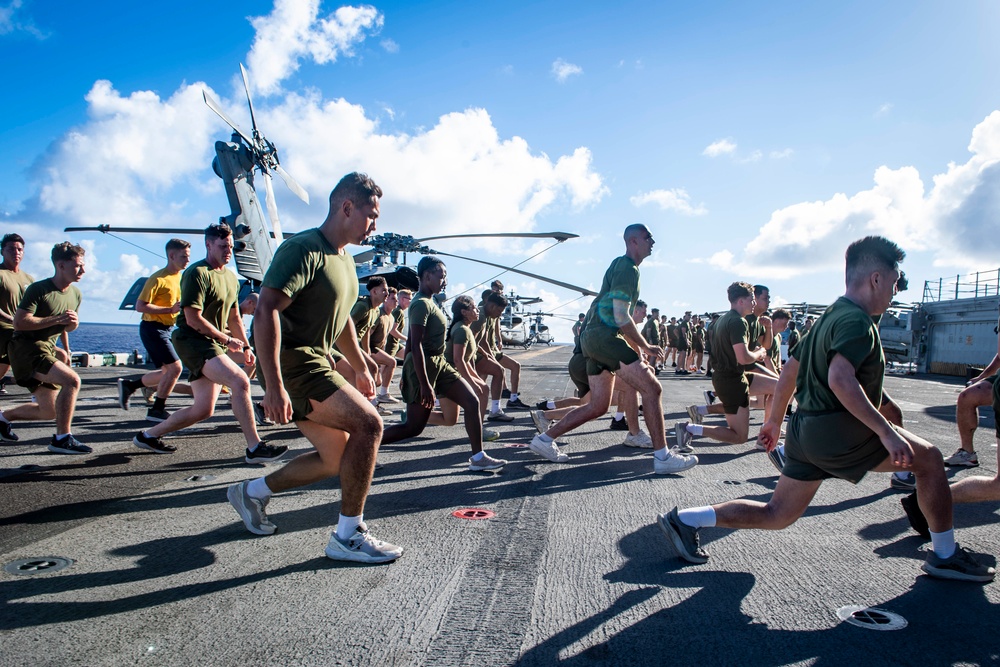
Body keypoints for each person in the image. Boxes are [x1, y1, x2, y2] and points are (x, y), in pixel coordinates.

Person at [660, 235, 994, 582]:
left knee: (778, 513)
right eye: (893, 283)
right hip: (840, 432)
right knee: (931, 459)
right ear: (876, 279)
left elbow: (791, 369)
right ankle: (945, 555)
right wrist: (885, 432)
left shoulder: (829, 316)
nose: (895, 293)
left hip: (807, 431)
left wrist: (775, 421)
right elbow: (840, 378)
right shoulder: (857, 321)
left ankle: (685, 519)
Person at [228, 171, 402, 563]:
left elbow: (341, 324)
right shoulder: (304, 249)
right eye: (371, 215)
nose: (375, 224)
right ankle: (348, 535)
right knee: (369, 425)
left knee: (335, 459)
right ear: (346, 207)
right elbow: (267, 310)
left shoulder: (344, 262)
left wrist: (361, 366)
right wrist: (272, 385)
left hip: (317, 363)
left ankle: (252, 493)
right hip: (296, 364)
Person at [527, 224, 697, 474]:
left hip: (592, 339)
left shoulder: (621, 265)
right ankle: (662, 457)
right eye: (648, 237)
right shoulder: (628, 268)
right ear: (633, 241)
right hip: (605, 337)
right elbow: (621, 315)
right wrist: (646, 345)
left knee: (598, 406)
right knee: (652, 388)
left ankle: (543, 440)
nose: (653, 241)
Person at [131, 223, 285, 462]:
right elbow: (193, 319)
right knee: (240, 381)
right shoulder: (197, 273)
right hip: (193, 340)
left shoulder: (231, 279)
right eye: (223, 246)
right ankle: (255, 448)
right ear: (209, 244)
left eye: (231, 247)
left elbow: (234, 317)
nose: (228, 252)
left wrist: (245, 347)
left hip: (212, 343)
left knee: (203, 409)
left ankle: (148, 436)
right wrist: (226, 339)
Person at [381, 257, 506, 471]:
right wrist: (422, 383)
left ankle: (478, 457)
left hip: (440, 364)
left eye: (445, 276)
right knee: (413, 427)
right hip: (425, 366)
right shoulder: (420, 303)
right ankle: (363, 444)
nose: (445, 281)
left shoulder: (431, 302)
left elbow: (410, 341)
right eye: (441, 276)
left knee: (472, 401)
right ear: (427, 276)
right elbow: (416, 344)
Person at [0, 242, 88, 453]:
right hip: (26, 350)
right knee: (72, 381)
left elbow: (69, 326)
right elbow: (20, 323)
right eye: (77, 266)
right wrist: (57, 318)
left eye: (83, 266)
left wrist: (71, 323)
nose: (83, 271)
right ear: (60, 265)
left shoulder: (75, 293)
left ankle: (3, 418)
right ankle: (62, 438)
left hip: (46, 350)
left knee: (49, 412)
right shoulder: (39, 289)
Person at [679, 282, 777, 451]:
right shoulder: (739, 322)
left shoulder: (723, 320)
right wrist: (759, 354)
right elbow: (744, 357)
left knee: (778, 386)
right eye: (751, 299)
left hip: (731, 376)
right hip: (732, 379)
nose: (754, 303)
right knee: (739, 436)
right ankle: (688, 429)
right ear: (741, 301)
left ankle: (768, 429)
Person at [117, 238, 193, 422]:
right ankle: (157, 409)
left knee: (167, 372)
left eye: (188, 257)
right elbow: (140, 306)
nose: (187, 261)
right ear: (171, 255)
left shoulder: (180, 278)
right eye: (183, 256)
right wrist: (169, 310)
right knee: (175, 368)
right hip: (153, 328)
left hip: (167, 329)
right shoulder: (157, 279)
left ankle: (130, 385)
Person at [0, 234, 33, 404]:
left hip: (19, 329)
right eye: (11, 249)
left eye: (19, 249)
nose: (16, 252)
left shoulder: (29, 280)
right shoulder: (0, 274)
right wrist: (14, 321)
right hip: (4, 329)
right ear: (2, 251)